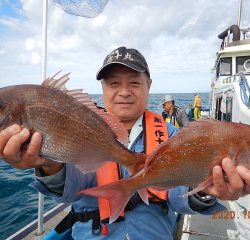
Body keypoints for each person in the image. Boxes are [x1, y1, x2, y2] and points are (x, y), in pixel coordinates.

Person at [1, 46, 250, 240]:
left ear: (148, 86)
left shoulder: (173, 136)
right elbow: (73, 188)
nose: (124, 91)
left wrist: (206, 192)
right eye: (113, 83)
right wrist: (47, 165)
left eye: (134, 82)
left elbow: (178, 194)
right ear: (102, 87)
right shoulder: (84, 125)